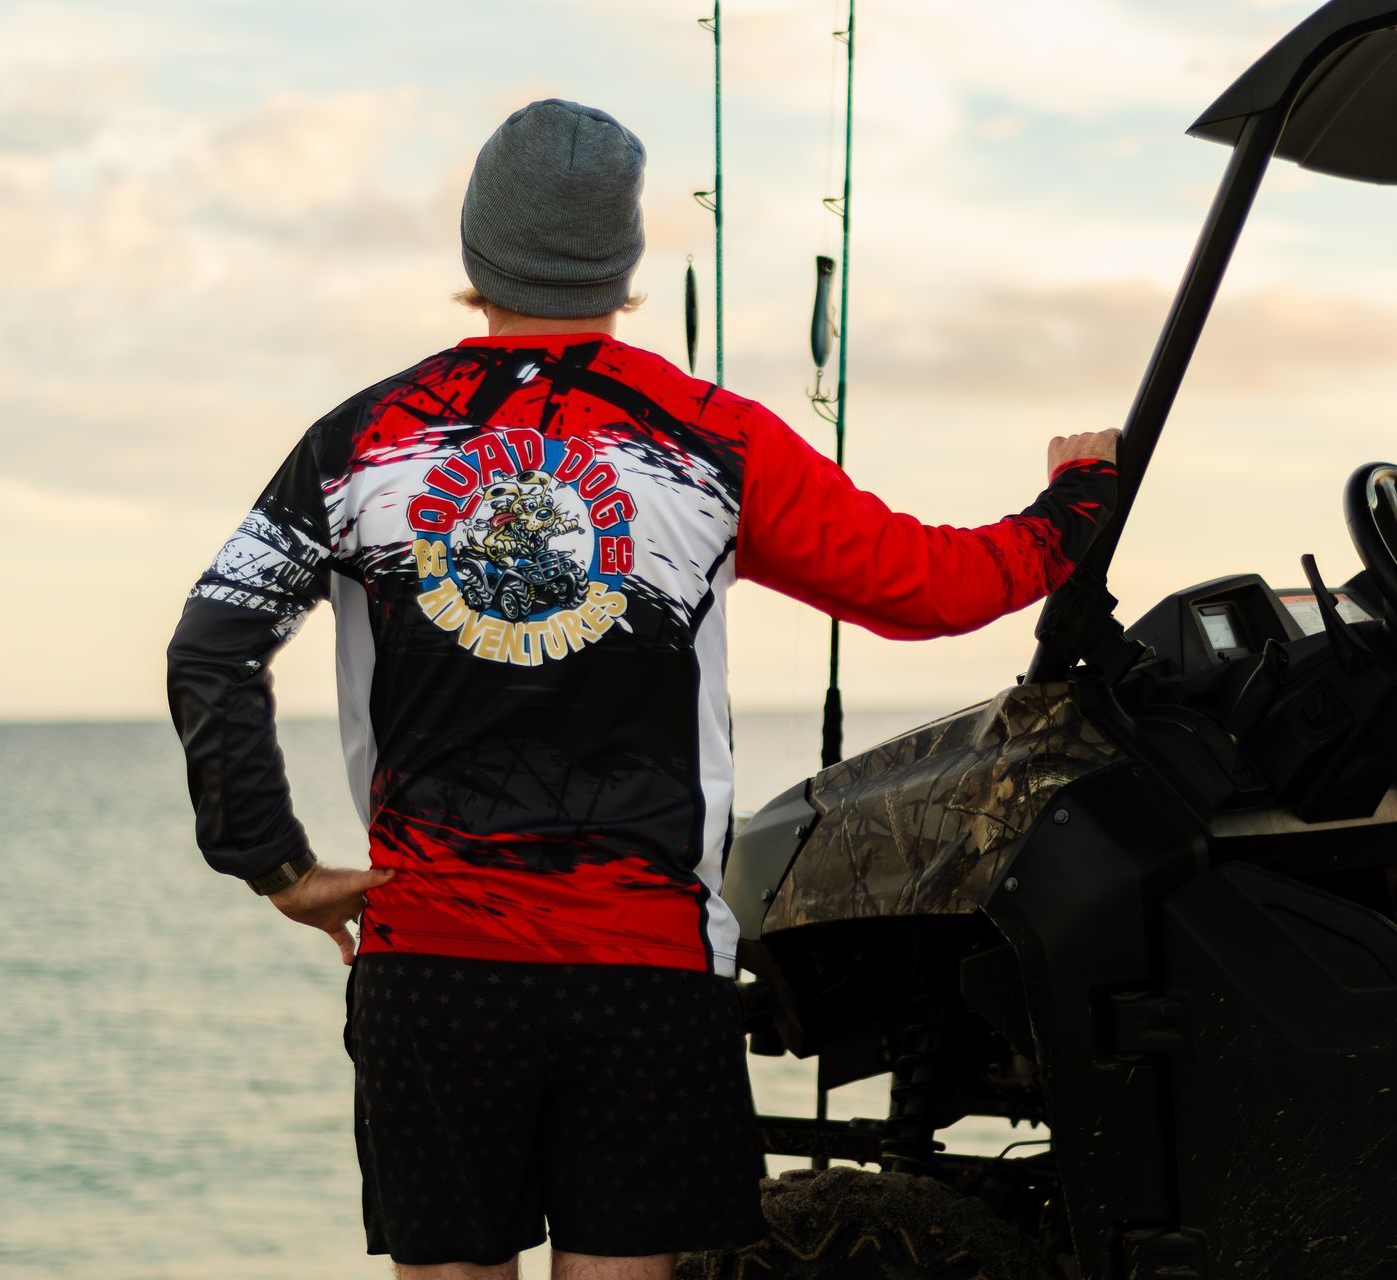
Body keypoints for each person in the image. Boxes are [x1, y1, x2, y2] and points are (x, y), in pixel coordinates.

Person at [166, 98, 1118, 1280]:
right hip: (646, 967)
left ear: (474, 252)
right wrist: (1075, 505)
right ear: (624, 265)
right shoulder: (713, 437)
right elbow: (922, 584)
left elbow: (211, 644)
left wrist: (277, 866)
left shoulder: (360, 440)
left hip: (435, 962)